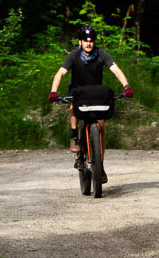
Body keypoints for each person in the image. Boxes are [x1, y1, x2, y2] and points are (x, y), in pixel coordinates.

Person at [50, 25, 131, 179]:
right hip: (78, 93)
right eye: (85, 41)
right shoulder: (73, 56)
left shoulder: (101, 54)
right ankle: (74, 136)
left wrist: (126, 86)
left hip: (96, 94)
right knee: (72, 105)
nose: (89, 44)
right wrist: (54, 91)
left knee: (101, 125)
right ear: (80, 42)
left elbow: (116, 70)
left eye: (91, 41)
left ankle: (100, 164)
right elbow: (60, 73)